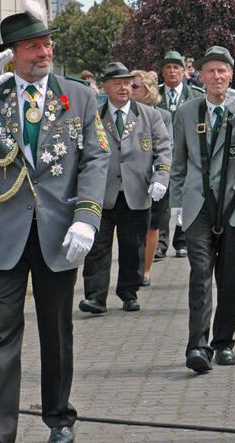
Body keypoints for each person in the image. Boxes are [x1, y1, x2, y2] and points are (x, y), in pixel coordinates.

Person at [0, 6, 110, 442]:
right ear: (12, 54)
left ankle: (59, 418)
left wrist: (88, 217)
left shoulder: (78, 95)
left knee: (57, 332)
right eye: (33, 46)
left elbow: (96, 157)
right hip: (6, 234)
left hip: (60, 232)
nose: (44, 52)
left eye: (46, 44)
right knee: (3, 335)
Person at [171, 46, 235, 372]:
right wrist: (175, 205)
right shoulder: (186, 112)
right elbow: (178, 162)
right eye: (210, 71)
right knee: (200, 274)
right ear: (200, 75)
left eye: (222, 70)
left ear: (231, 74)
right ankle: (197, 346)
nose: (217, 76)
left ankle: (224, 342)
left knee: (231, 278)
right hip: (199, 205)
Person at [78, 62, 171, 314]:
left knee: (133, 247)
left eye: (127, 83)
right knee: (98, 247)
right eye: (117, 83)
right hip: (101, 193)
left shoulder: (149, 115)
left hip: (137, 192)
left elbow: (164, 149)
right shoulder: (95, 115)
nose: (123, 88)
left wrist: (161, 178)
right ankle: (96, 297)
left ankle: (129, 292)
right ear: (105, 87)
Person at [156, 50, 205, 259]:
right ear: (162, 72)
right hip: (161, 156)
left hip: (187, 155)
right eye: (168, 67)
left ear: (184, 71)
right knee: (161, 202)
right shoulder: (155, 95)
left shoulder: (195, 94)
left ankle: (182, 241)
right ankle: (160, 243)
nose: (172, 71)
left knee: (185, 198)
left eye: (176, 67)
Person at [130, 70, 174, 286]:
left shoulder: (163, 115)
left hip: (154, 179)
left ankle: (146, 270)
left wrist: (160, 176)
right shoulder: (125, 112)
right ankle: (131, 271)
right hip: (130, 180)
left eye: (135, 86)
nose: (129, 90)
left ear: (147, 90)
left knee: (152, 226)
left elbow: (166, 146)